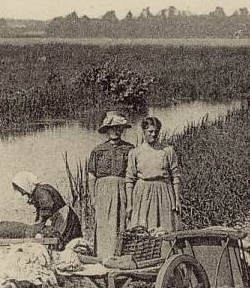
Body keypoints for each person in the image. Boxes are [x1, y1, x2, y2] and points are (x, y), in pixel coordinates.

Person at [87, 111, 135, 263]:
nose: (116, 131)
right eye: (112, 128)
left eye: (119, 128)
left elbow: (132, 174)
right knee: (103, 223)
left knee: (121, 222)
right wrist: (93, 198)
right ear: (107, 130)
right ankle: (102, 257)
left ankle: (119, 258)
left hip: (121, 188)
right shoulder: (98, 150)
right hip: (102, 190)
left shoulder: (129, 149)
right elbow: (91, 176)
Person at [125, 116, 182, 233]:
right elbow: (129, 180)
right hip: (143, 194)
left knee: (165, 229)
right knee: (142, 229)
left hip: (164, 193)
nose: (153, 135)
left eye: (156, 132)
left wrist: (177, 199)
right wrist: (130, 204)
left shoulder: (168, 151)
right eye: (150, 131)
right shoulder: (135, 152)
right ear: (143, 131)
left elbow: (175, 176)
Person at [11, 171, 82, 248]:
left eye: (21, 189)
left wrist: (39, 223)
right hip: (59, 218)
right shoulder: (36, 193)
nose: (22, 192)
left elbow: (47, 207)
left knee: (62, 241)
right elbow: (41, 211)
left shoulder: (41, 191)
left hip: (64, 218)